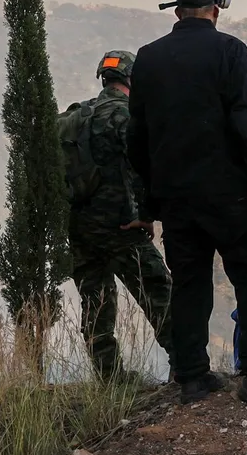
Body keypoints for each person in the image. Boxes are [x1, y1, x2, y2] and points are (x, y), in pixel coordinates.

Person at [128, 0, 247, 405]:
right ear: (217, 6)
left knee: (189, 282)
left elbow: (135, 137)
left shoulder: (149, 58)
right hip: (229, 192)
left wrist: (149, 198)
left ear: (176, 9)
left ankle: (193, 378)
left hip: (176, 197)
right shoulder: (231, 52)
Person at [63, 51, 173, 382]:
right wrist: (148, 214)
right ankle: (185, 364)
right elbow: (145, 167)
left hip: (80, 227)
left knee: (95, 302)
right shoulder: (127, 115)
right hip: (121, 225)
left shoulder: (77, 115)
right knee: (157, 289)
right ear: (132, 79)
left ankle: (109, 377)